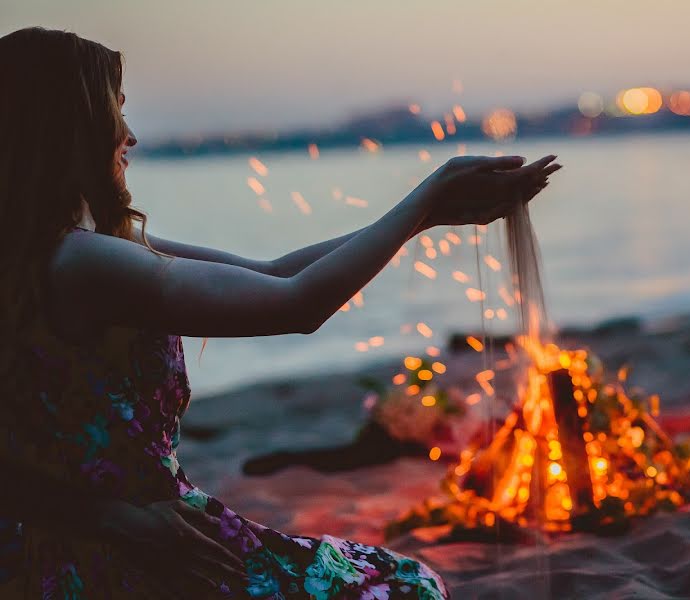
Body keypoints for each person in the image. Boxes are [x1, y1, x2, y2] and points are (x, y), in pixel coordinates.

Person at [0, 27, 561, 598]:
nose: (131, 136)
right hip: (130, 559)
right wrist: (427, 199)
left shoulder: (59, 253)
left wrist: (427, 218)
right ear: (71, 127)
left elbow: (275, 272)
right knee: (408, 585)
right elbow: (297, 304)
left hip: (95, 538)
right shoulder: (85, 262)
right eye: (114, 113)